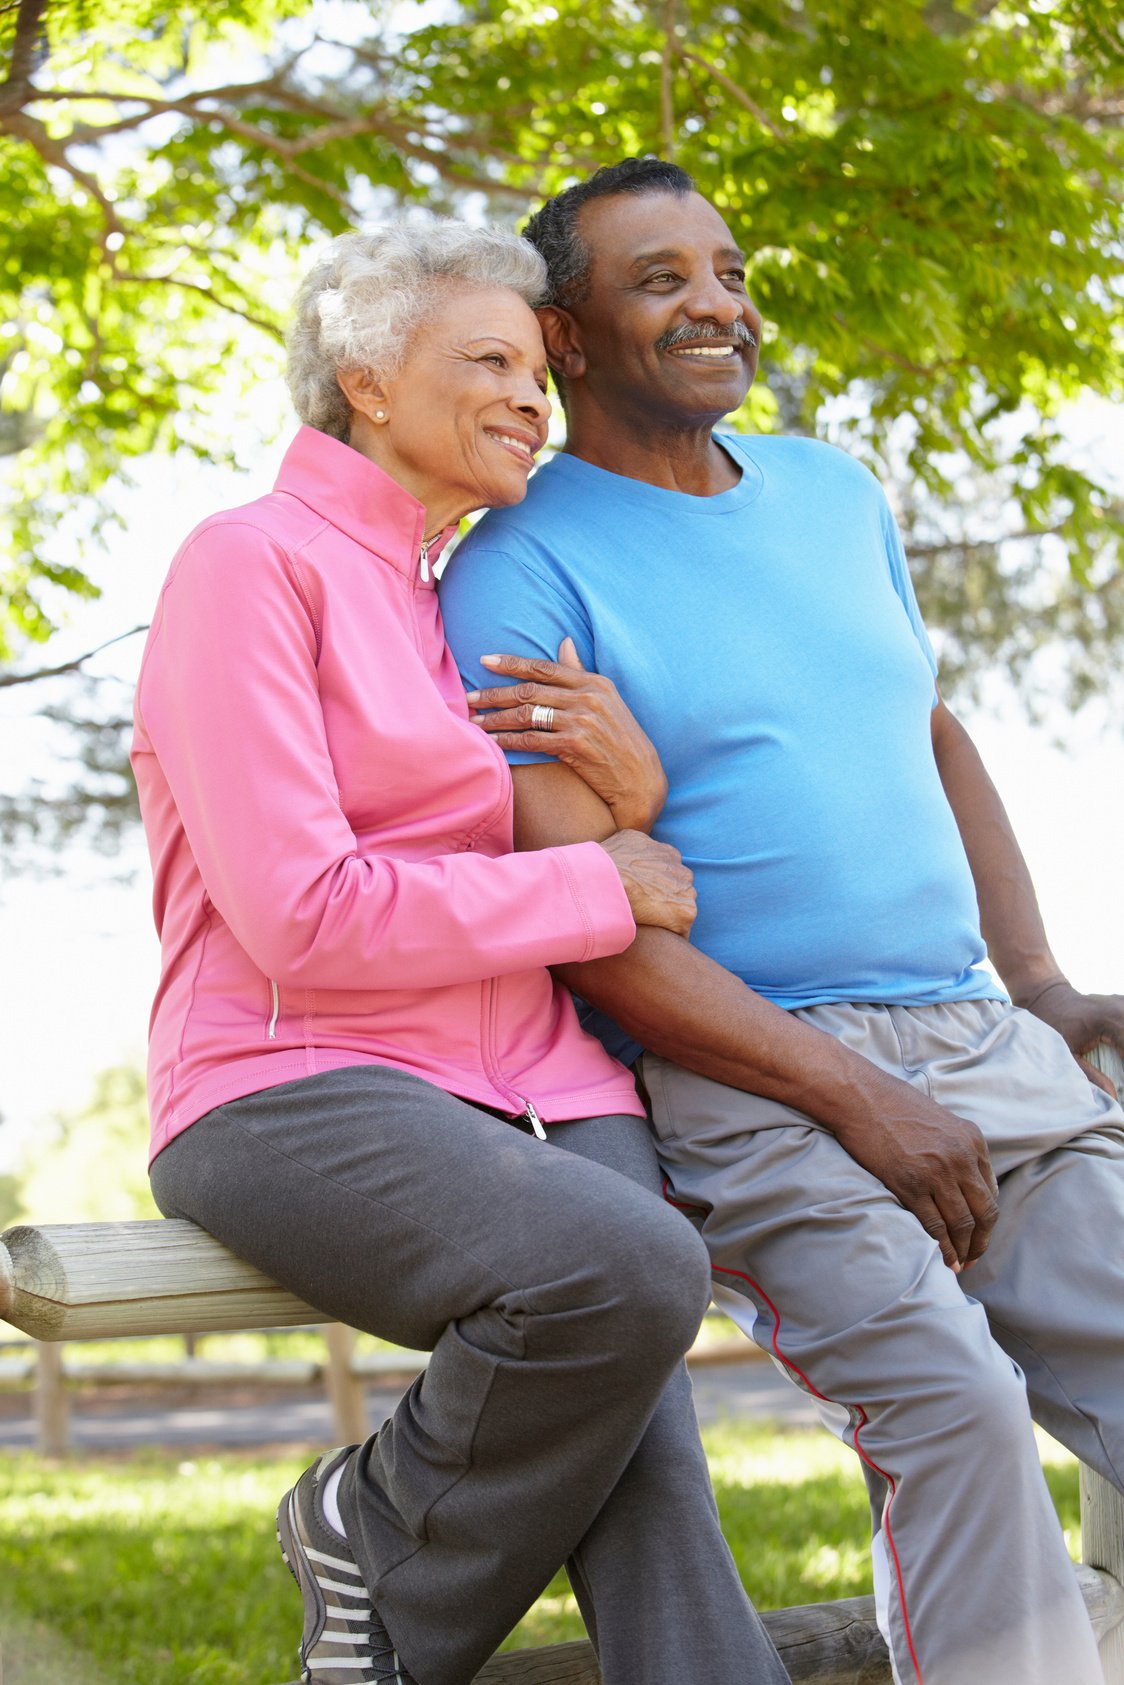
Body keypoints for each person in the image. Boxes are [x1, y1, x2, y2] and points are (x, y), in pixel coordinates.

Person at [438, 157, 1124, 1685]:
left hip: (974, 1032)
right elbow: (593, 924)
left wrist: (1044, 984)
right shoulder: (514, 570)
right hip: (753, 1076)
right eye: (661, 278)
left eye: (729, 269)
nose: (717, 305)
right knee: (947, 1399)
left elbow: (928, 734)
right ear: (563, 332)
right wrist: (857, 1097)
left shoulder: (832, 491)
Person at [131, 222, 791, 1685]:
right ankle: (368, 1521)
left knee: (656, 1490)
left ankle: (384, 1621)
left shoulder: (453, 600)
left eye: (533, 372)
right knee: (629, 1265)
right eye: (487, 360)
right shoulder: (249, 566)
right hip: (289, 1083)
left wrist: (632, 794)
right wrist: (597, 885)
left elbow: (563, 838)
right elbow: (302, 908)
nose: (528, 398)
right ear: (365, 376)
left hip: (543, 1089)